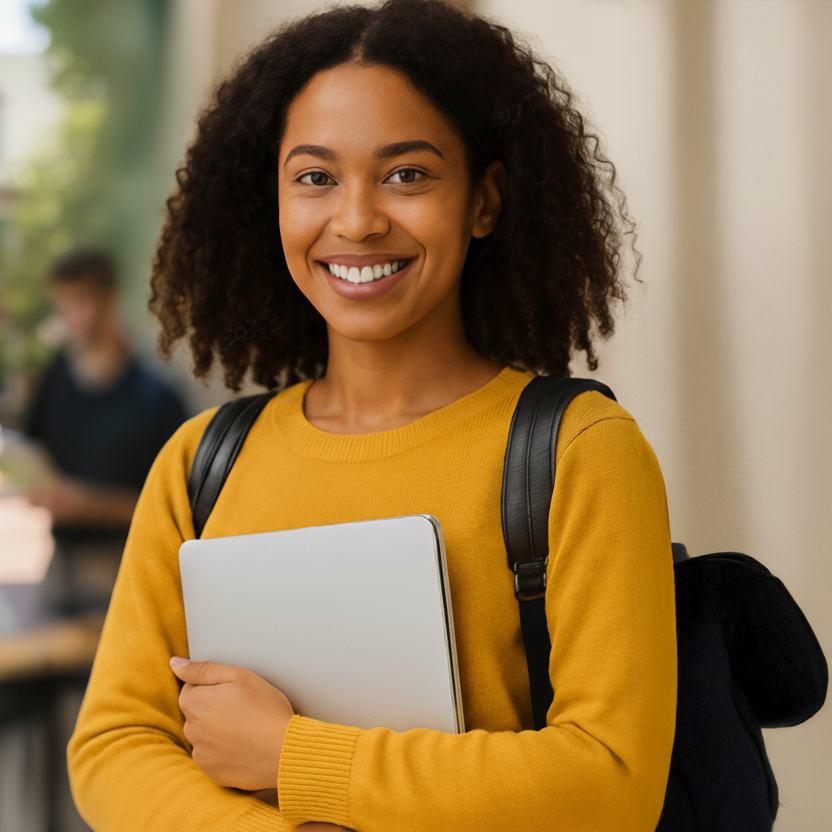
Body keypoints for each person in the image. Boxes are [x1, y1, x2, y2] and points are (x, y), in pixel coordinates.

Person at [68, 2, 677, 830]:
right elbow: (113, 745)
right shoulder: (199, 463)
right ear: (272, 201)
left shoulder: (580, 453)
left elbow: (611, 784)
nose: (355, 220)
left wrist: (292, 756)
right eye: (314, 177)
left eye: (407, 174)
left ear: (485, 201)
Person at [25, 248, 188, 614]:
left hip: (124, 571)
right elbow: (31, 456)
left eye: (80, 302)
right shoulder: (54, 381)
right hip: (57, 567)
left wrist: (93, 505)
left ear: (109, 298)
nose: (71, 318)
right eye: (63, 305)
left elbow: (180, 510)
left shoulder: (157, 397)